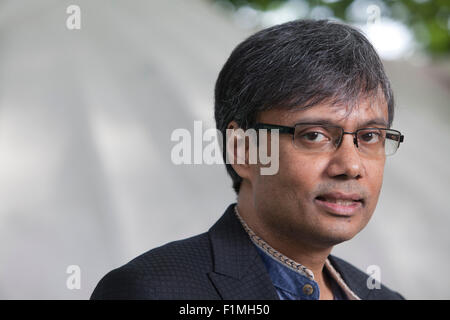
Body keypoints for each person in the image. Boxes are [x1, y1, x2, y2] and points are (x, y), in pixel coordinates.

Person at [91, 19, 405, 300]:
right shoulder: (150, 291)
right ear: (243, 150)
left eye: (369, 137)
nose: (350, 166)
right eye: (314, 135)